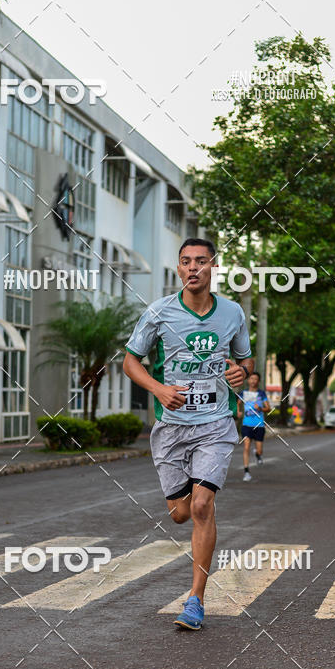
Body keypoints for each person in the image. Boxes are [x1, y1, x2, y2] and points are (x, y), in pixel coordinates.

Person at [123, 238, 253, 631]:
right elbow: (131, 362)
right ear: (178, 269)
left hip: (215, 424)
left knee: (200, 506)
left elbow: (246, 363)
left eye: (200, 261)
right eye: (185, 262)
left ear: (213, 266)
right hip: (172, 427)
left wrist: (242, 374)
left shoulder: (232, 313)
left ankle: (195, 599)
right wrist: (159, 389)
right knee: (180, 514)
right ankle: (194, 504)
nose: (193, 268)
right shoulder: (159, 313)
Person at [237, 372, 270, 481]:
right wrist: (238, 412)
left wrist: (260, 408)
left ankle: (257, 453)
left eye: (255, 379)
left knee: (260, 450)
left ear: (258, 381)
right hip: (246, 424)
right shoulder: (244, 393)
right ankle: (246, 472)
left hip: (259, 425)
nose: (253, 381)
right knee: (246, 447)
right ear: (248, 380)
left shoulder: (261, 394)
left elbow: (268, 408)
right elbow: (238, 403)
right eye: (251, 379)